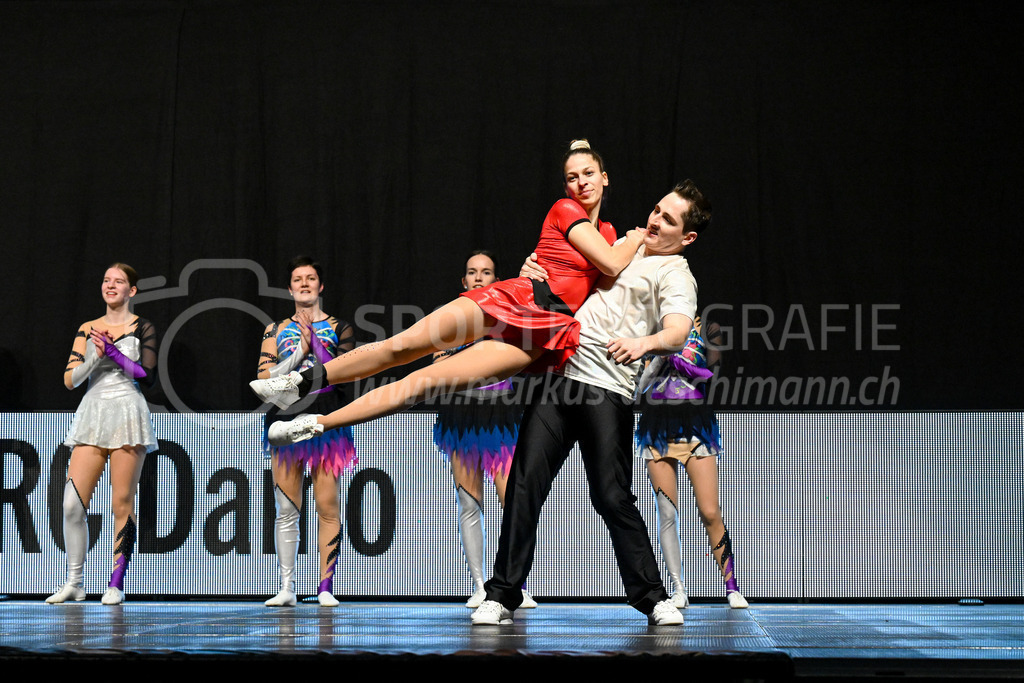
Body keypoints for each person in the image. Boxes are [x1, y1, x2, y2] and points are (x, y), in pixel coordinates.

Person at [250, 139, 645, 444]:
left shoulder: (608, 234)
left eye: (589, 174)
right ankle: (298, 384)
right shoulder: (567, 210)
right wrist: (637, 237)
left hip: (543, 331)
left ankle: (315, 423)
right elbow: (610, 263)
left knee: (422, 384)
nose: (582, 183)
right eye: (574, 177)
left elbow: (605, 284)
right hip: (513, 299)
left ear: (604, 178)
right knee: (400, 347)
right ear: (565, 185)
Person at [469, 180, 712, 627]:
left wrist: (645, 342)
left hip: (606, 388)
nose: (656, 221)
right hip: (560, 377)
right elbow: (568, 271)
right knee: (524, 486)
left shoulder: (675, 273)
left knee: (611, 495)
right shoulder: (624, 244)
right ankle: (501, 594)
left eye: (669, 220)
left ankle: (652, 597)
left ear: (688, 237)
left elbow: (677, 332)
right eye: (657, 210)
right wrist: (534, 268)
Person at [48, 263, 158, 605]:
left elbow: (147, 376)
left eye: (119, 281)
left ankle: (115, 582)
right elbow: (70, 380)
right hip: (93, 413)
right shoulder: (88, 328)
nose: (111, 285)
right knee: (70, 504)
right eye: (107, 280)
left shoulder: (143, 327)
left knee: (121, 502)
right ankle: (75, 581)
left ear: (132, 290)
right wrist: (96, 357)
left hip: (127, 412)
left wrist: (113, 353)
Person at [431, 250, 536, 608]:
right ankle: (479, 584)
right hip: (462, 416)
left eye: (486, 272)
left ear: (496, 280)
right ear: (464, 281)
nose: (478, 278)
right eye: (472, 272)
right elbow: (437, 363)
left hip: (500, 415)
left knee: (512, 499)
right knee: (468, 501)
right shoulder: (450, 318)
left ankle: (515, 584)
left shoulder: (507, 316)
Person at [257, 256, 357, 607]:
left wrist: (314, 344)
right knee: (286, 507)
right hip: (285, 416)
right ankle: (286, 587)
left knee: (327, 504)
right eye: (297, 279)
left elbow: (342, 371)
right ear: (289, 288)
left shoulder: (340, 327)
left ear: (320, 286)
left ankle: (325, 586)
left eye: (310, 278)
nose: (304, 283)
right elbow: (265, 378)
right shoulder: (274, 329)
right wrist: (298, 350)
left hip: (325, 417)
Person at [636, 317, 749, 609]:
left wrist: (681, 353)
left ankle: (732, 586)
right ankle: (678, 588)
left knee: (710, 511)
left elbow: (712, 373)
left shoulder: (708, 329)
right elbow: (640, 388)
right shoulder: (648, 331)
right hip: (657, 430)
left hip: (696, 428)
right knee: (667, 514)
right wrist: (662, 354)